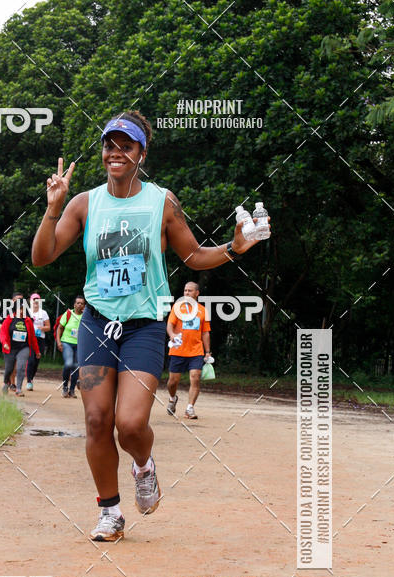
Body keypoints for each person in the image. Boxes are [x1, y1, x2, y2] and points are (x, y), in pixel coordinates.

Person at [32, 110, 269, 541]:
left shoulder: (162, 202)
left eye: (126, 146)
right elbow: (42, 256)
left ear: (142, 154)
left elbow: (193, 256)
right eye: (109, 145)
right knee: (97, 420)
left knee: (130, 425)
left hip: (145, 326)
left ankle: (143, 466)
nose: (115, 153)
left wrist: (234, 248)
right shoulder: (84, 203)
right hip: (96, 323)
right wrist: (52, 209)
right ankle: (110, 512)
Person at [166, 281, 213, 420]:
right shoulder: (177, 307)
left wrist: (207, 351)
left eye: (190, 291)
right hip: (178, 350)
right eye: (185, 290)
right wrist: (172, 335)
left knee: (195, 377)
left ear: (197, 293)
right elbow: (169, 325)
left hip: (196, 351)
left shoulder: (203, 310)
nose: (186, 293)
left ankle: (190, 408)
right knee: (172, 382)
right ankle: (172, 398)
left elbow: (205, 332)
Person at [0, 295, 40, 396]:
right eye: (19, 309)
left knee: (21, 367)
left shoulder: (28, 321)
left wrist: (37, 351)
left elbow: (33, 337)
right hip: (10, 348)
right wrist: (5, 343)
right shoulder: (9, 319)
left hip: (24, 347)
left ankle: (18, 389)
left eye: (23, 309)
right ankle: (6, 382)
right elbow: (3, 333)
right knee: (9, 368)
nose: (21, 311)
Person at [56, 295, 85, 398]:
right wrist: (58, 342)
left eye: (82, 303)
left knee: (76, 366)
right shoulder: (68, 314)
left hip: (79, 344)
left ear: (84, 305)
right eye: (78, 303)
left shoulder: (85, 316)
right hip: (66, 342)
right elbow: (60, 328)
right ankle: (65, 387)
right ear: (74, 304)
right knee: (68, 364)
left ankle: (72, 390)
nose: (79, 305)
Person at [0, 291, 23, 391]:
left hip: (20, 343)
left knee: (17, 365)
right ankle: (10, 383)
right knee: (11, 365)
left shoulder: (25, 312)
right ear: (12, 301)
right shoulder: (7, 311)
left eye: (21, 300)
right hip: (8, 343)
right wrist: (7, 329)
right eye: (17, 300)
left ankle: (12, 383)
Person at [26, 292, 50, 390]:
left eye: (37, 300)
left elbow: (48, 327)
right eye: (34, 300)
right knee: (31, 360)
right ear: (30, 301)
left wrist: (41, 328)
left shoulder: (43, 313)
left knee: (36, 361)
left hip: (40, 339)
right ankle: (28, 381)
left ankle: (31, 378)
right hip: (29, 339)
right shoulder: (27, 311)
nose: (36, 302)